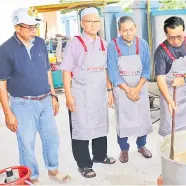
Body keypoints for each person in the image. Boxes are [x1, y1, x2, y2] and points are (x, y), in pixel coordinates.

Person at [0, 8, 71, 184]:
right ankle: (31, 177)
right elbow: (1, 84)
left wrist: (53, 95)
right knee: (26, 142)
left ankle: (53, 169)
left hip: (45, 100)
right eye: (29, 27)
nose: (34, 31)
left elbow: (47, 70)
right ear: (17, 27)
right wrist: (7, 112)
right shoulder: (5, 50)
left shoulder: (39, 42)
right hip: (22, 104)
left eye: (35, 27)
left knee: (51, 137)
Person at [59, 7, 115, 178]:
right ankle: (84, 164)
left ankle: (100, 155)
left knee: (100, 125)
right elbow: (66, 71)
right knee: (81, 129)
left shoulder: (104, 44)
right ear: (82, 23)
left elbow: (106, 70)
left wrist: (109, 90)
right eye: (89, 21)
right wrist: (68, 96)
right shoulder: (74, 43)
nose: (93, 24)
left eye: (96, 21)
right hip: (80, 95)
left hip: (98, 93)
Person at [107, 16, 153, 163]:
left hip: (140, 87)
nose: (128, 33)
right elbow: (113, 72)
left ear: (135, 29)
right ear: (119, 31)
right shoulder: (113, 46)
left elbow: (147, 69)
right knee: (123, 119)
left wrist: (137, 88)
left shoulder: (143, 44)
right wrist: (128, 90)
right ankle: (124, 149)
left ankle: (141, 145)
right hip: (122, 89)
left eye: (131, 29)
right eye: (124, 30)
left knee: (142, 117)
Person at [154, 16, 186, 136]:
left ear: (183, 31)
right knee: (171, 132)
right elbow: (160, 79)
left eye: (179, 37)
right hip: (169, 93)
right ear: (166, 34)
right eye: (171, 38)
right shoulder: (161, 51)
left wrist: (184, 78)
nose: (176, 41)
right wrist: (169, 101)